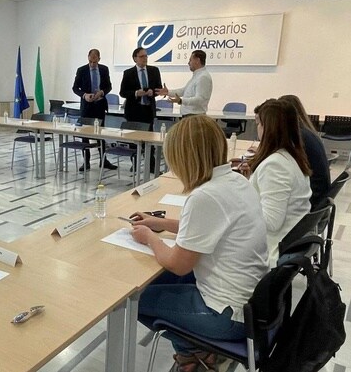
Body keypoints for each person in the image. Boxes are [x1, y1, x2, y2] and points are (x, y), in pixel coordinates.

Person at [130, 115, 268, 372]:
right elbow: (211, 228)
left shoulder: (205, 196)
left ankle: (192, 355)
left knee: (135, 301)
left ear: (183, 157)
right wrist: (159, 223)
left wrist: (149, 238)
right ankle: (198, 354)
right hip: (251, 302)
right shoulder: (236, 180)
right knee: (160, 285)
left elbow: (177, 264)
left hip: (224, 314)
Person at [241, 99, 312, 267]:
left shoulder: (275, 165)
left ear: (269, 128)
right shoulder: (291, 156)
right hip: (288, 241)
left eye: (259, 124)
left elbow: (271, 221)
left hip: (271, 248)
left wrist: (239, 203)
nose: (257, 129)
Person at [278, 94, 330, 209]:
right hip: (320, 197)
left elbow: (284, 162)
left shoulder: (299, 137)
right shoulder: (307, 132)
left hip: (313, 198)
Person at [72, 48, 117, 171]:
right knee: (85, 134)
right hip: (87, 106)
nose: (92, 64)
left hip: (100, 104)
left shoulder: (104, 69)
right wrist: (84, 95)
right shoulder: (81, 70)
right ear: (88, 58)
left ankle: (104, 160)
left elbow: (109, 86)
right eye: (91, 61)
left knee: (100, 133)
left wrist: (102, 92)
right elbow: (75, 88)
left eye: (95, 62)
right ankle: (86, 161)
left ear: (99, 59)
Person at [119, 47, 163, 172]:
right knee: (134, 140)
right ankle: (136, 164)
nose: (145, 59)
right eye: (142, 56)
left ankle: (152, 167)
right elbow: (123, 92)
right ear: (135, 58)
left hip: (148, 109)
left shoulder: (154, 71)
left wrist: (152, 92)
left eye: (146, 56)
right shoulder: (128, 73)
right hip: (133, 111)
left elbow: (158, 88)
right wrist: (135, 93)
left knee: (149, 139)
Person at [157, 50, 212, 116]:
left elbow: (200, 99)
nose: (188, 63)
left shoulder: (203, 77)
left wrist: (181, 101)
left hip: (195, 117)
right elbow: (183, 91)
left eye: (190, 60)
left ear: (197, 60)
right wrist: (168, 92)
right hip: (190, 116)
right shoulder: (197, 76)